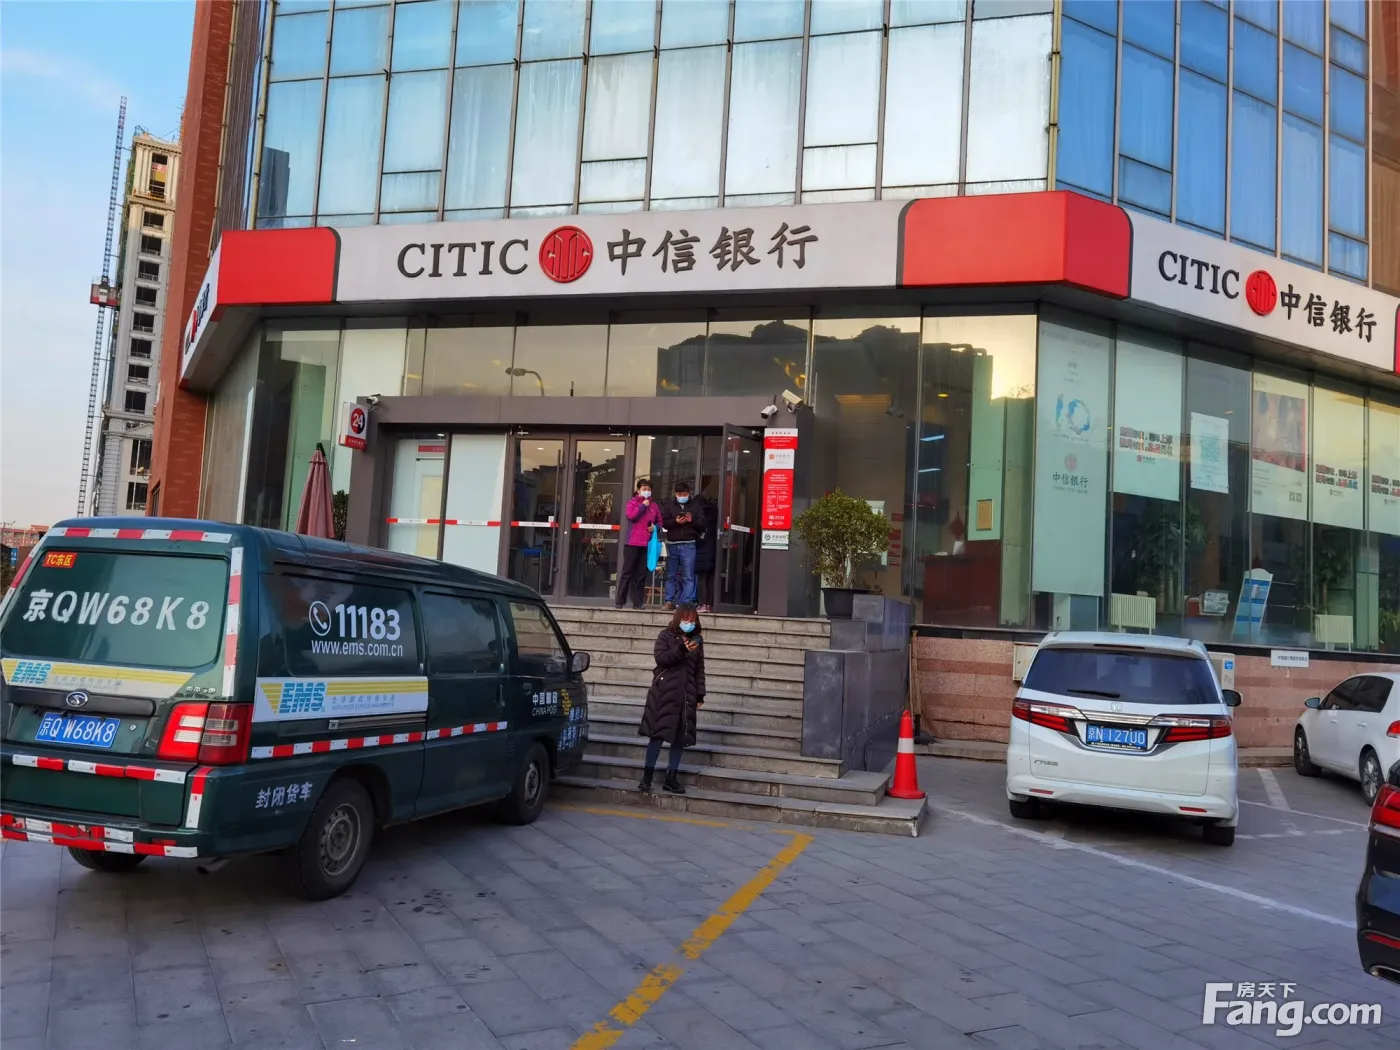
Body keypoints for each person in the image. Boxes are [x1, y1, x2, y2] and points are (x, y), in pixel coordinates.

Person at [637, 605, 706, 794]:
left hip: (686, 694)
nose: (689, 623)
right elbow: (661, 659)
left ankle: (671, 777)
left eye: (692, 620)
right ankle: (647, 776)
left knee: (679, 737)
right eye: (686, 619)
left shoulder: (697, 640)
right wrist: (682, 649)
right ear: (678, 619)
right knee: (657, 733)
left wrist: (700, 694)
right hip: (664, 692)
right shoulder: (665, 636)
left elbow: (699, 669)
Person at [617, 478, 663, 609]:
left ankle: (637, 603)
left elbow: (660, 522)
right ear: (638, 490)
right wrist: (643, 505)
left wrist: (655, 527)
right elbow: (631, 516)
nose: (646, 491)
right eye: (644, 489)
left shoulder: (654, 506)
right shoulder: (632, 502)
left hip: (646, 544)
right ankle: (620, 601)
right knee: (627, 573)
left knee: (641, 574)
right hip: (632, 543)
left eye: (648, 489)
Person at [661, 481, 702, 608]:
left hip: (689, 544)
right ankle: (669, 601)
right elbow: (664, 523)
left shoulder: (695, 506)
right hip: (672, 544)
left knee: (688, 576)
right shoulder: (669, 505)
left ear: (688, 493)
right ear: (675, 494)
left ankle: (685, 604)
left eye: (684, 494)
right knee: (671, 575)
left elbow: (702, 525)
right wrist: (675, 521)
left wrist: (691, 520)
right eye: (679, 494)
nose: (682, 496)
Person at [693, 477, 717, 612]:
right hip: (712, 550)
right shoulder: (714, 514)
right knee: (710, 578)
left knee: (701, 579)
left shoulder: (699, 517)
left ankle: (702, 604)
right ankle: (709, 604)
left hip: (701, 551)